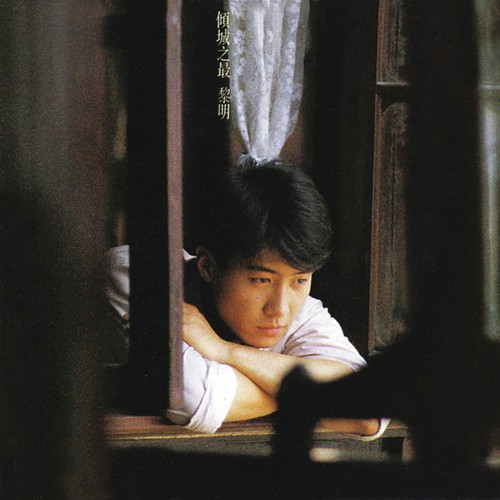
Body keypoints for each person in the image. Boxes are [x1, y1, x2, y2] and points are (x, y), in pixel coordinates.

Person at [106, 158, 388, 438]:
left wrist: (222, 350)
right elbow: (190, 397)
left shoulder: (301, 310)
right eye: (261, 280)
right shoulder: (135, 275)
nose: (280, 309)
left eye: (300, 280)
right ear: (208, 266)